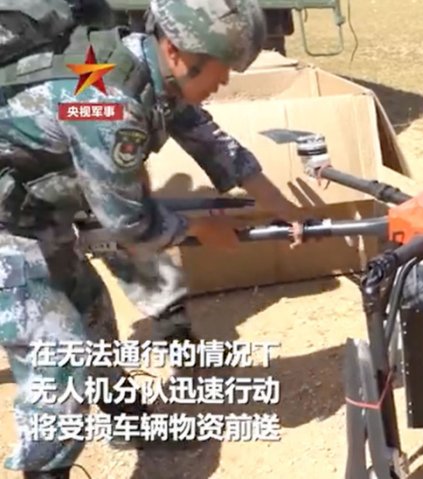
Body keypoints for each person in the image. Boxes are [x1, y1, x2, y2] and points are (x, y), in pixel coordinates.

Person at [0, 0, 305, 477]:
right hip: (7, 225)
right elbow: (127, 224)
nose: (222, 85)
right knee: (61, 362)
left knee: (92, 314)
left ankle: (128, 421)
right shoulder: (109, 105)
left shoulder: (146, 66)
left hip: (30, 208)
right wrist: (202, 228)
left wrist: (275, 199)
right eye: (220, 74)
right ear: (178, 53)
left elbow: (205, 134)